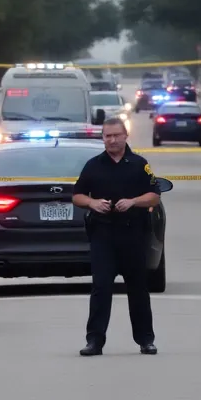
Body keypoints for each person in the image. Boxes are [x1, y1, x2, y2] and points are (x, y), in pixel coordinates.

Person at [72, 117, 161, 356]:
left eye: (116, 135)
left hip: (133, 233)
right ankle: (94, 341)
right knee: (101, 287)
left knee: (138, 288)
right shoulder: (93, 165)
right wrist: (92, 202)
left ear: (125, 136)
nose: (112, 140)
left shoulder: (140, 164)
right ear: (103, 138)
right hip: (103, 234)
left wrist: (133, 201)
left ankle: (145, 340)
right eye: (107, 136)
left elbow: (154, 196)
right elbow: (77, 195)